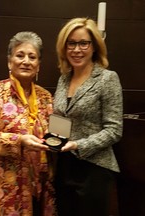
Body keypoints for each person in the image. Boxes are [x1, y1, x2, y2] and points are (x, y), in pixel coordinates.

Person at [0, 31, 56, 216]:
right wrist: (19, 140)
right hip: (2, 189)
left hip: (38, 185)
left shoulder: (46, 97)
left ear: (38, 65)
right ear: (10, 61)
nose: (26, 61)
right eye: (20, 55)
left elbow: (53, 136)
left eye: (32, 57)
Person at [53, 17, 123, 216]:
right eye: (71, 43)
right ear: (64, 47)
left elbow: (114, 130)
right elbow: (61, 119)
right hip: (65, 165)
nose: (77, 49)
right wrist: (53, 140)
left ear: (94, 47)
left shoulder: (107, 78)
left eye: (83, 43)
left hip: (94, 169)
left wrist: (78, 145)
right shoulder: (63, 79)